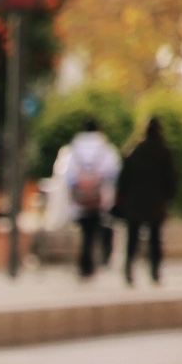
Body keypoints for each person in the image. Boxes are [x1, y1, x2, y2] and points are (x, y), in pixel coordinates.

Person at [115, 117, 177, 286]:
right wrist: (168, 198)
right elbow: (171, 180)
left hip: (135, 202)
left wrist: (122, 197)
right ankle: (155, 271)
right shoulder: (164, 152)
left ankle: (129, 269)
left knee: (132, 238)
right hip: (156, 203)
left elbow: (123, 179)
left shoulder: (135, 150)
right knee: (155, 239)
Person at [61, 117, 122, 280]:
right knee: (94, 229)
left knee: (86, 231)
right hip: (99, 198)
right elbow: (114, 172)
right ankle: (91, 262)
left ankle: (86, 264)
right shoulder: (106, 149)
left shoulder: (72, 149)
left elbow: (65, 174)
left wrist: (80, 183)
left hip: (79, 199)